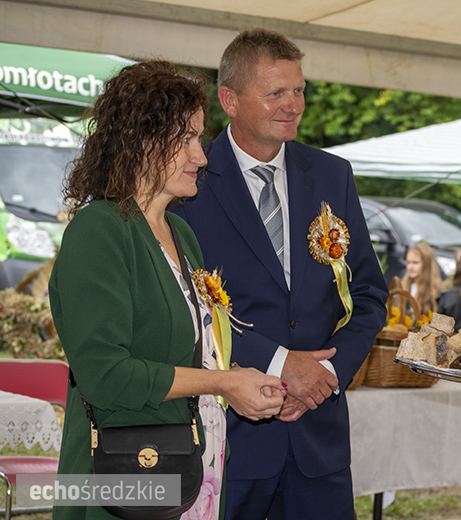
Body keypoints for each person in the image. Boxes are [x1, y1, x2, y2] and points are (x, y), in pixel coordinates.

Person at [49, 61, 286, 520]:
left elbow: (185, 352)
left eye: (199, 139)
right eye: (187, 140)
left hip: (193, 469)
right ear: (140, 140)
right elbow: (105, 376)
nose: (202, 156)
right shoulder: (99, 230)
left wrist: (242, 379)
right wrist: (223, 382)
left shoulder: (182, 234)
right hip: (126, 478)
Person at [173, 28, 388, 519]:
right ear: (229, 100)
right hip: (231, 440)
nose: (293, 105)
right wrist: (279, 364)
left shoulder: (333, 174)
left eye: (299, 90)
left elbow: (369, 294)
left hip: (319, 443)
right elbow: (184, 305)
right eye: (275, 93)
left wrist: (325, 375)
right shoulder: (189, 181)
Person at [401, 242, 443, 315]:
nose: (410, 267)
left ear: (426, 264)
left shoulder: (435, 291)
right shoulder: (403, 285)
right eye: (408, 262)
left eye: (415, 263)